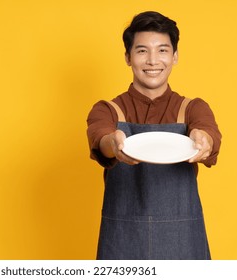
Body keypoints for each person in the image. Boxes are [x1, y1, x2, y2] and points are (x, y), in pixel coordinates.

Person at [86, 11, 221, 260]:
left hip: (183, 236)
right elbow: (100, 136)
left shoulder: (192, 108)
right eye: (141, 51)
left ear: (175, 56)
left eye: (162, 50)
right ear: (128, 57)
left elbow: (209, 133)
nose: (152, 61)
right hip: (123, 237)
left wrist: (204, 139)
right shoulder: (107, 110)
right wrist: (113, 145)